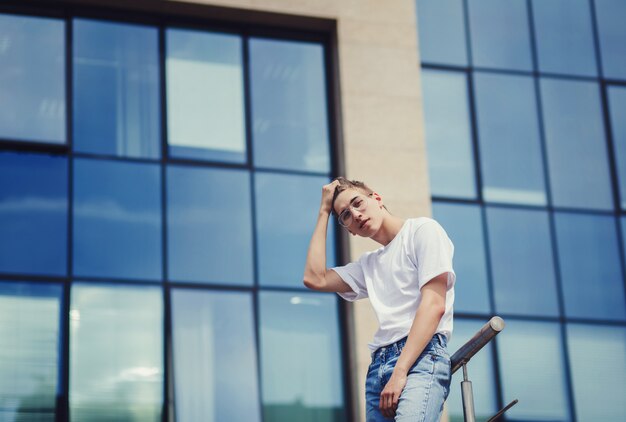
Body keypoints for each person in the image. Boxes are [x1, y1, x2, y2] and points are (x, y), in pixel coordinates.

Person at [303, 177, 455, 421]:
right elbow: (314, 278)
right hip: (378, 369)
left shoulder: (422, 230)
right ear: (350, 230)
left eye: (357, 203)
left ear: (377, 199)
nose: (356, 214)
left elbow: (434, 305)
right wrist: (323, 211)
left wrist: (400, 371)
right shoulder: (368, 265)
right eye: (346, 215)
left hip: (421, 358)